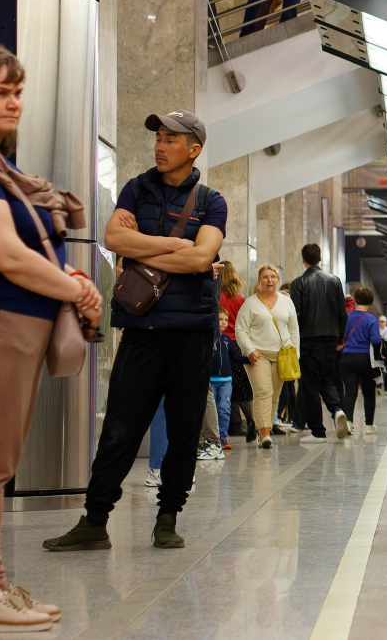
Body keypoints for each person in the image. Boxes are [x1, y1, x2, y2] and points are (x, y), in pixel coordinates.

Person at [44, 109, 226, 553]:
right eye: (158, 137)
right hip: (142, 329)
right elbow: (113, 240)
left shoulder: (211, 201)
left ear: (194, 149)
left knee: (184, 431)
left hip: (192, 334)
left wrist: (142, 249)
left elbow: (201, 259)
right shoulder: (136, 189)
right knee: (119, 429)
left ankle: (167, 519)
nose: (159, 146)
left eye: (170, 139)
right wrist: (174, 245)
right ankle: (95, 521)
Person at [0, 47, 102, 630]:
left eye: (18, 91)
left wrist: (71, 285)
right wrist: (75, 289)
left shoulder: (5, 168)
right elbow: (9, 257)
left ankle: (0, 584)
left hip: (23, 327)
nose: (15, 102)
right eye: (1, 93)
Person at [236, 265, 301, 448]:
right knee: (263, 392)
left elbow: (294, 329)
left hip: (282, 355)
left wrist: (295, 353)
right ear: (259, 281)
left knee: (274, 395)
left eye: (273, 276)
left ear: (278, 280)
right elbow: (240, 330)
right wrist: (249, 350)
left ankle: (264, 427)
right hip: (258, 355)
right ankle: (264, 432)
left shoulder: (286, 302)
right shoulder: (250, 303)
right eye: (265, 277)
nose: (269, 280)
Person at [290, 243, 349, 441]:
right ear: (320, 258)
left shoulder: (298, 283)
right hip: (331, 339)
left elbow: (297, 315)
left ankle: (318, 431)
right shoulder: (334, 281)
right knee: (327, 379)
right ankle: (337, 410)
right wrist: (339, 337)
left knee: (310, 385)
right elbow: (343, 314)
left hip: (307, 339)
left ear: (303, 259)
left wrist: (295, 339)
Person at [219, 260, 255, 440]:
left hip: (220, 343)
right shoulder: (240, 298)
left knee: (226, 384)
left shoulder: (216, 296)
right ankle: (250, 421)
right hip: (237, 344)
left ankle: (233, 424)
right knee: (240, 386)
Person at [339, 287, 382, 435]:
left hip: (347, 358)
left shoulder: (347, 317)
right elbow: (376, 341)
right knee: (368, 392)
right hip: (365, 359)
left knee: (350, 391)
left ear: (356, 300)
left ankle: (349, 423)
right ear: (371, 301)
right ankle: (369, 425)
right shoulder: (371, 319)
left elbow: (341, 336)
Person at [211, 307, 244, 449]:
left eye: (226, 319)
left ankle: (222, 437)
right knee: (211, 411)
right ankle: (211, 438)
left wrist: (249, 359)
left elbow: (235, 357)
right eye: (220, 319)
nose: (224, 322)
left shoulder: (227, 339)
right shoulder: (208, 339)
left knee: (224, 408)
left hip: (226, 381)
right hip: (211, 381)